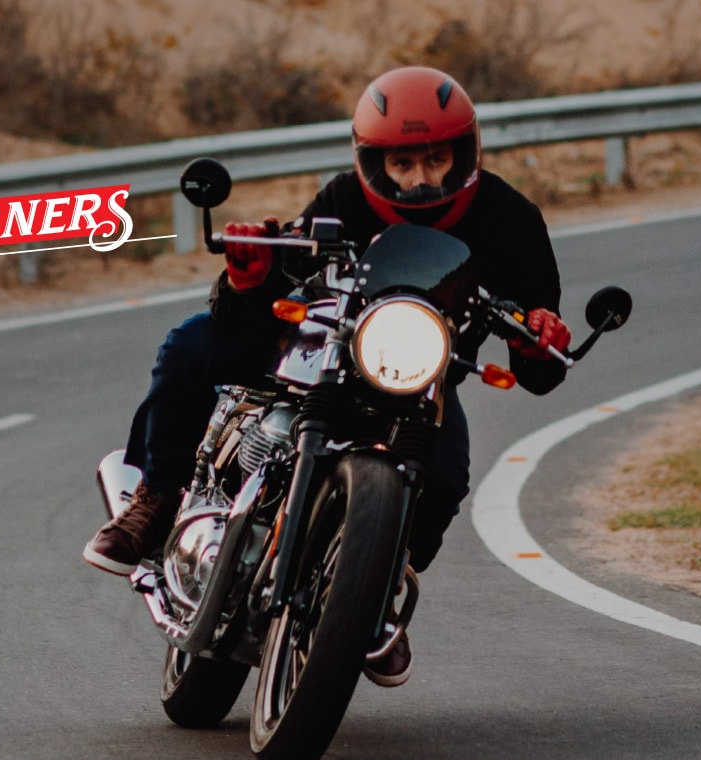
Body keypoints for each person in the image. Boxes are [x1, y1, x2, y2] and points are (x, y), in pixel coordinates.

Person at [82, 66, 571, 687]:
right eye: (401, 165)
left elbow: (541, 360)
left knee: (446, 476)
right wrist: (249, 276)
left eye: (436, 159)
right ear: (373, 163)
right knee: (187, 347)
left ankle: (382, 586)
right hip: (323, 353)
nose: (420, 179)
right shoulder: (342, 200)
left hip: (418, 381)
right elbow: (251, 303)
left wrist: (542, 338)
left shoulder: (511, 220)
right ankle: (154, 499)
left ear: (464, 153)